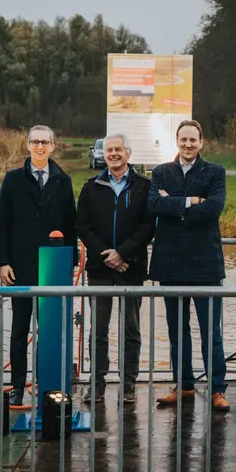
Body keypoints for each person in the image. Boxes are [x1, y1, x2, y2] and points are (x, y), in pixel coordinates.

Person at [148, 119, 230, 412]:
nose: (188, 145)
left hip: (205, 264)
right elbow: (153, 205)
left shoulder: (215, 172)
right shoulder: (161, 172)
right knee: (176, 330)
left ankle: (218, 388)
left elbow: (214, 207)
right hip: (171, 264)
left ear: (201, 142)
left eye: (193, 140)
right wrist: (191, 201)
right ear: (177, 141)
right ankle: (183, 385)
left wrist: (176, 207)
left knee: (211, 331)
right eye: (183, 140)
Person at [0, 125, 78, 406]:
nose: (40, 146)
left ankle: (45, 384)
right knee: (19, 331)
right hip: (20, 267)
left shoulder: (62, 181)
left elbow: (70, 224)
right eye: (35, 142)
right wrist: (3, 261)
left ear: (53, 146)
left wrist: (70, 264)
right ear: (27, 146)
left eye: (45, 142)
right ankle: (17, 385)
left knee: (49, 330)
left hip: (53, 268)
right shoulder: (12, 179)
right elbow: (2, 223)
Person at [76, 134, 155, 403]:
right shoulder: (91, 187)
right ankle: (97, 382)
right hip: (99, 269)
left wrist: (123, 254)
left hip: (131, 268)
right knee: (98, 330)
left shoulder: (144, 186)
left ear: (128, 153)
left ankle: (129, 383)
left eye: (118, 149)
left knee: (131, 329)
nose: (113, 154)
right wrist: (106, 255)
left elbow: (147, 226)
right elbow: (83, 226)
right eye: (109, 150)